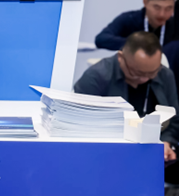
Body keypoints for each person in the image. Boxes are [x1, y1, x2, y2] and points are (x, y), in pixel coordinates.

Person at [74, 31, 178, 163]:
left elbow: (175, 120)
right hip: (107, 153)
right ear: (121, 57)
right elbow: (80, 123)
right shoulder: (96, 77)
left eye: (152, 73)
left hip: (152, 152)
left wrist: (166, 142)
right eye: (137, 73)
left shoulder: (165, 75)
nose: (144, 79)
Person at [95, 0, 176, 51]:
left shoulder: (175, 24)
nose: (162, 14)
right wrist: (135, 43)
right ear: (145, 2)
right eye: (157, 8)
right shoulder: (129, 19)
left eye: (168, 9)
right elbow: (102, 39)